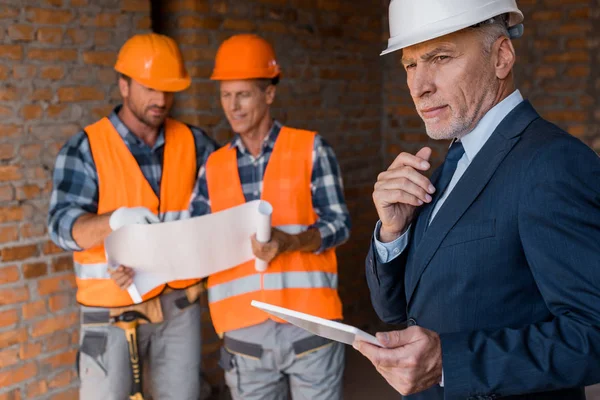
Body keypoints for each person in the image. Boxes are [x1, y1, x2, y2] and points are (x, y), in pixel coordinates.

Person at [355, 1, 600, 399]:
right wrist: (393, 232)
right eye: (410, 65)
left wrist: (450, 363)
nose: (420, 86)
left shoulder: (552, 163)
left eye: (440, 57)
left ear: (501, 56)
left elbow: (593, 333)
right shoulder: (449, 163)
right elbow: (396, 312)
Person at [48, 33, 218, 400]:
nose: (160, 100)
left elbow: (221, 212)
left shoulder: (195, 143)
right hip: (109, 312)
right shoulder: (86, 148)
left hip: (178, 309)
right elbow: (61, 226)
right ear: (123, 85)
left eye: (168, 90)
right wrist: (113, 223)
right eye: (149, 88)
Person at [189, 34, 351, 400]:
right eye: (226, 95)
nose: (233, 106)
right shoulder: (211, 168)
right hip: (244, 334)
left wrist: (291, 242)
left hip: (309, 326)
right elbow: (195, 243)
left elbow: (339, 225)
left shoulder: (310, 149)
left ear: (269, 94)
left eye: (243, 94)